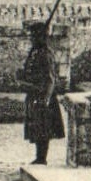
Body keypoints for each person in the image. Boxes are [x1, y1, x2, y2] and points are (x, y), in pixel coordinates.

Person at [22, 22, 65, 165]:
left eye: (34, 36)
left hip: (43, 95)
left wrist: (46, 98)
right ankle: (39, 157)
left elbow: (51, 79)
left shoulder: (46, 54)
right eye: (31, 36)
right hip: (35, 93)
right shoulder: (35, 52)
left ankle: (42, 158)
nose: (31, 39)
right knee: (36, 126)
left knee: (43, 127)